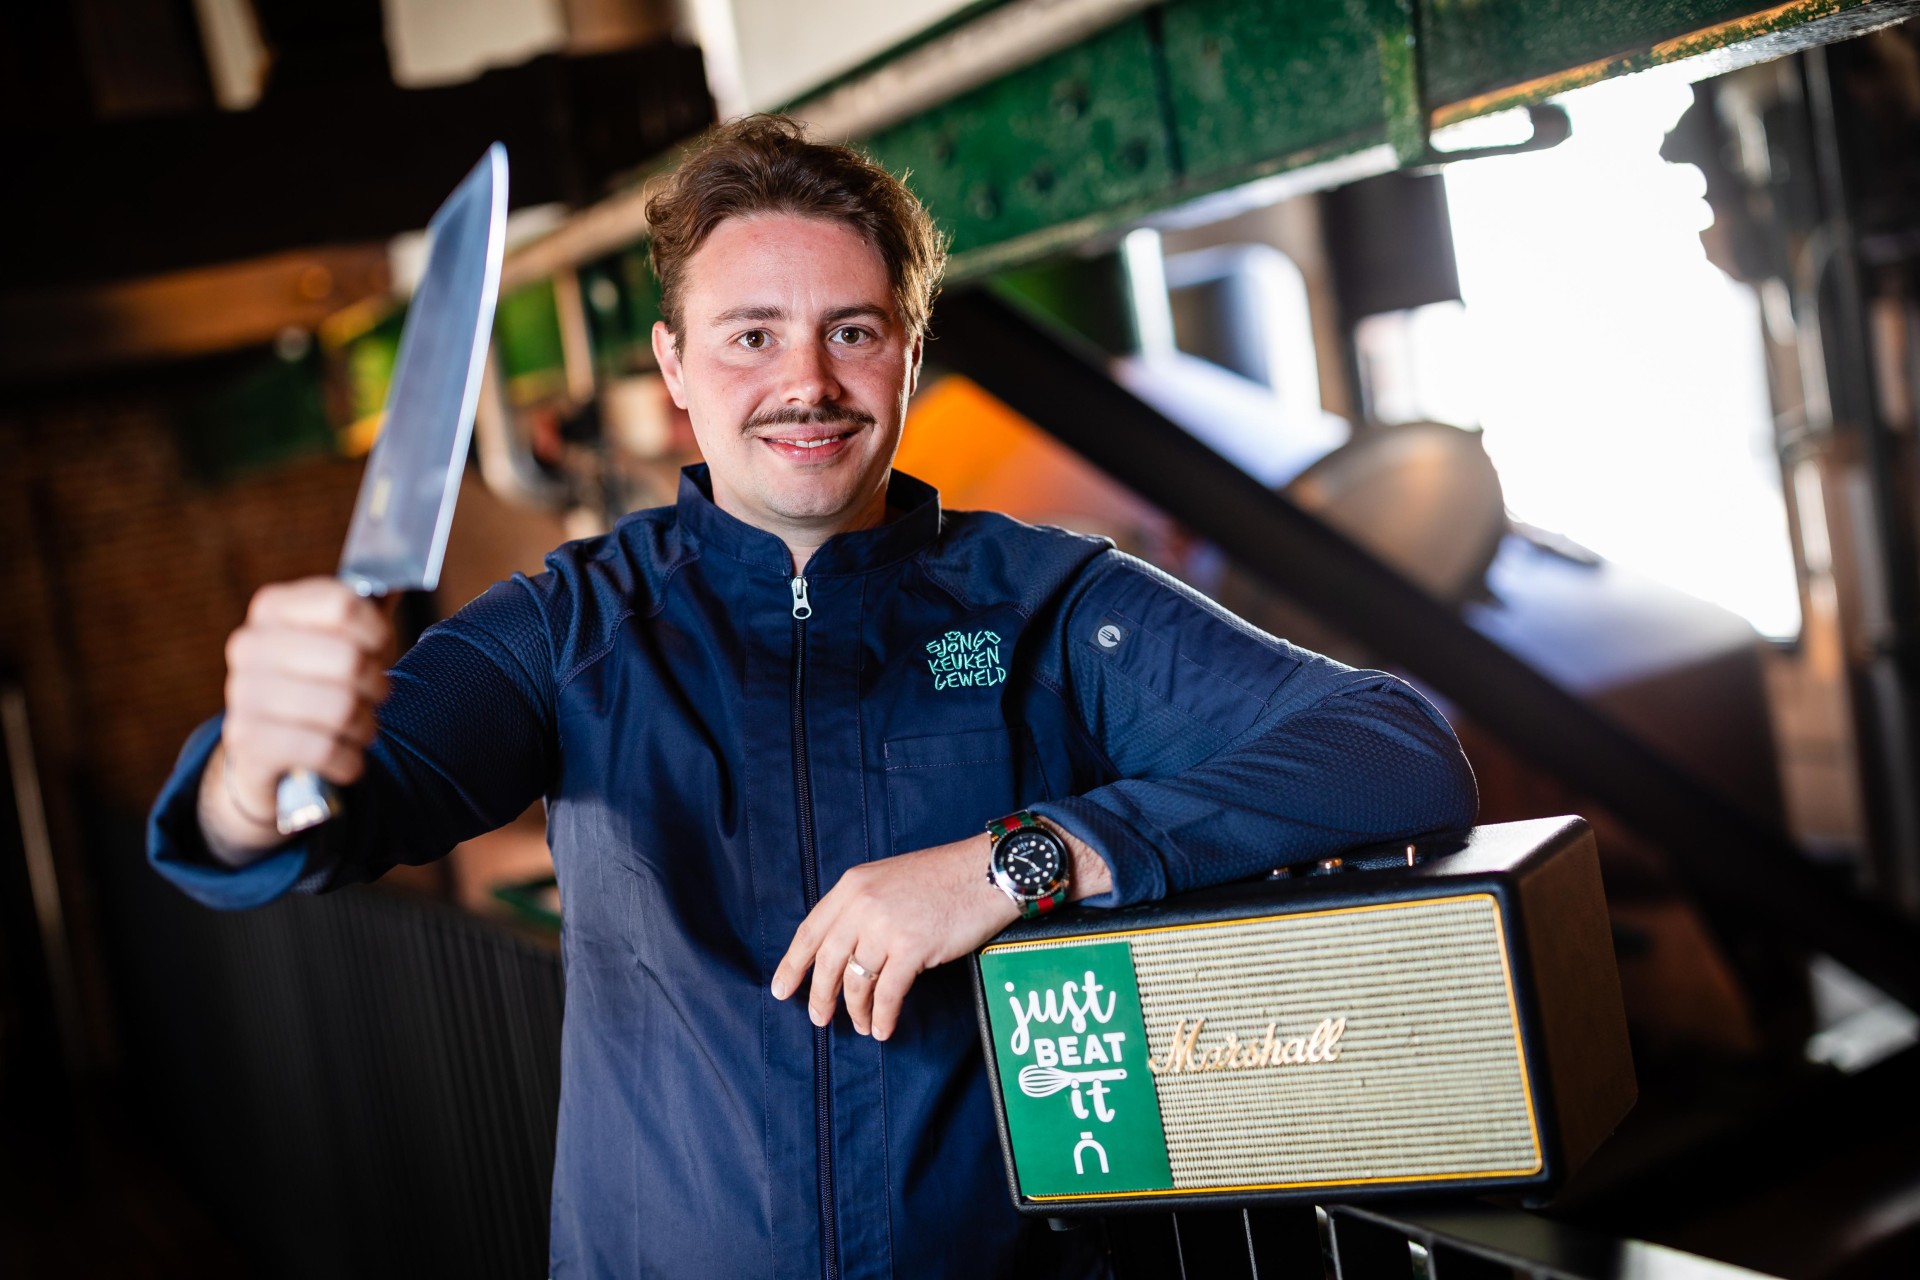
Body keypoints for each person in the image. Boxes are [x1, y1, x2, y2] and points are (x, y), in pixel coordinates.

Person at [148, 115, 1477, 1279]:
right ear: (674, 369)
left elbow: (1394, 750)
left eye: (853, 332)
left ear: (907, 357)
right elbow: (325, 819)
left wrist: (1024, 860)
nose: (807, 383)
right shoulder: (574, 629)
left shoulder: (1049, 605)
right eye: (752, 337)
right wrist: (255, 771)